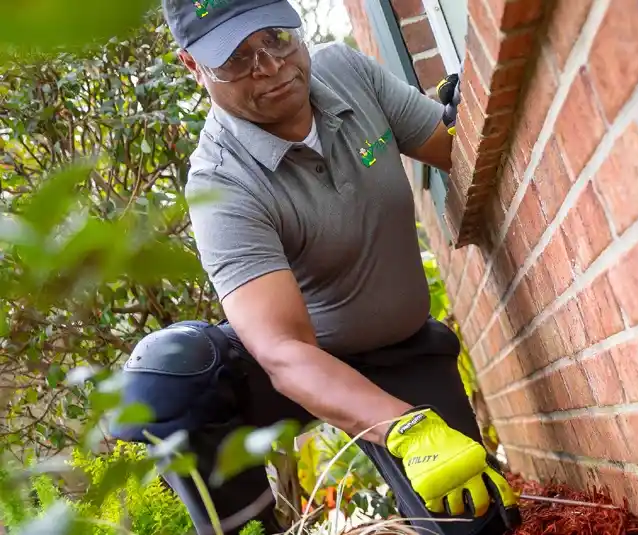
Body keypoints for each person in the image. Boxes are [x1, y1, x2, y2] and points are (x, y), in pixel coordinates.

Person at [110, 1, 520, 534]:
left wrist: (472, 107)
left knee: (477, 518)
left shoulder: (346, 73)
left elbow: (452, 150)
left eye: (277, 38)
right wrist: (403, 428)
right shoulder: (221, 185)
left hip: (401, 349)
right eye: (236, 58)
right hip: (305, 361)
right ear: (194, 67)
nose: (270, 65)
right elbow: (283, 353)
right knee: (171, 375)